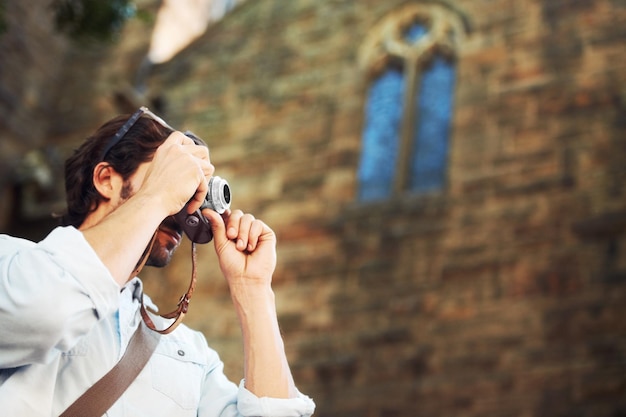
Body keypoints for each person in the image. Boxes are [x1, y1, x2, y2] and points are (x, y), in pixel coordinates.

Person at [0, 107, 316, 416]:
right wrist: (160, 194)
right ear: (106, 178)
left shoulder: (189, 352)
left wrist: (253, 288)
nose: (184, 205)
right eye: (172, 177)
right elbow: (41, 312)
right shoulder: (11, 261)